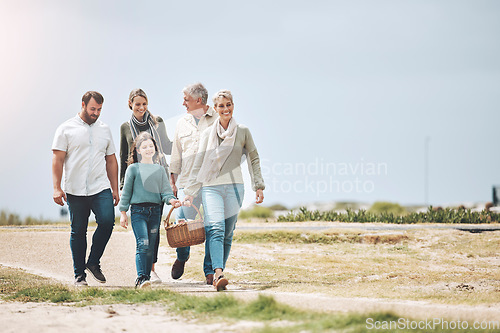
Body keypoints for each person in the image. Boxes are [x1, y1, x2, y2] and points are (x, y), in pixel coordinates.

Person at [184, 89, 265, 291]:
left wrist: (259, 185)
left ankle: (211, 271)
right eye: (221, 106)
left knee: (227, 233)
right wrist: (191, 191)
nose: (225, 109)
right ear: (215, 108)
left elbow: (253, 158)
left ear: (233, 106)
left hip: (236, 188)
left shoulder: (243, 131)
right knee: (216, 229)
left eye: (228, 105)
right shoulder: (207, 134)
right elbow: (198, 162)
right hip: (211, 188)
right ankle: (218, 273)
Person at [52, 91, 119, 286]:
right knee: (78, 231)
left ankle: (93, 262)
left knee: (107, 222)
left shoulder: (105, 129)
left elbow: (111, 160)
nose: (96, 113)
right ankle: (79, 275)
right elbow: (57, 159)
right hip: (75, 189)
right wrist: (56, 187)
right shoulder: (66, 129)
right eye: (92, 109)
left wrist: (115, 188)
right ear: (83, 104)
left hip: (100, 187)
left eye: (99, 110)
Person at [120, 88, 172, 283]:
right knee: (143, 239)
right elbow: (124, 155)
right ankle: (144, 275)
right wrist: (123, 186)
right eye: (137, 104)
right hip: (138, 183)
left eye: (144, 104)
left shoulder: (157, 122)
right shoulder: (125, 127)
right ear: (130, 105)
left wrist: (186, 143)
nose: (141, 108)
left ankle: (152, 269)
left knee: (154, 233)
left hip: (159, 179)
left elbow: (166, 146)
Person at [169, 82, 218, 284]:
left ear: (199, 100)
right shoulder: (182, 123)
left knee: (213, 227)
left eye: (186, 99)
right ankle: (182, 257)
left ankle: (209, 270)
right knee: (182, 225)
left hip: (212, 183)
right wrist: (172, 182)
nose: (183, 103)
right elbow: (176, 154)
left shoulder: (218, 119)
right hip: (187, 183)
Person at [119, 132, 181, 288]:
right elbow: (126, 193)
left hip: (155, 212)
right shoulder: (133, 169)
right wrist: (123, 213)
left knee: (151, 245)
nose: (148, 149)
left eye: (151, 146)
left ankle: (145, 279)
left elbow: (166, 192)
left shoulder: (159, 170)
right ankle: (141, 278)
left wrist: (172, 200)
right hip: (138, 212)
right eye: (144, 147)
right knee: (143, 243)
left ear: (155, 149)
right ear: (138, 150)